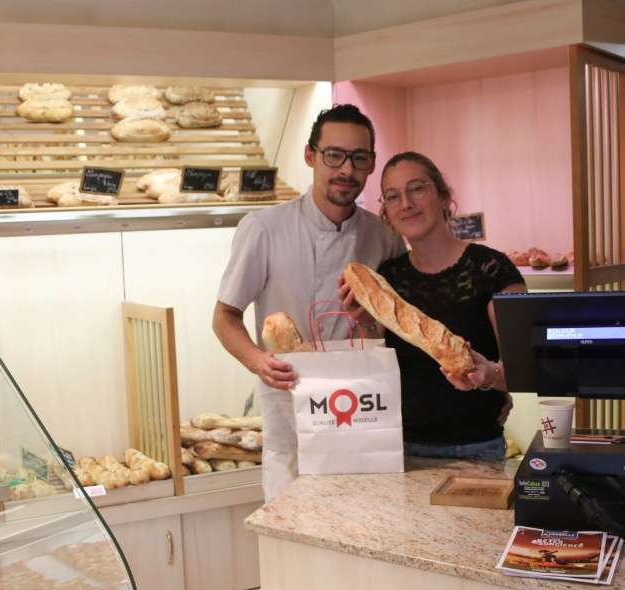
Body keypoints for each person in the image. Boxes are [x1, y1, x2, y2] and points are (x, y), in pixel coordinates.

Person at [213, 104, 406, 500]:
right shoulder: (264, 229)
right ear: (310, 156)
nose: (346, 170)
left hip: (363, 405)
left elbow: (392, 326)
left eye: (359, 158)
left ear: (371, 163)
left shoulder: (384, 238)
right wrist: (257, 360)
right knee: (292, 520)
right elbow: (225, 317)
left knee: (363, 516)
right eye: (333, 155)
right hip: (289, 400)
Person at [341, 151, 526, 460]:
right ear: (386, 212)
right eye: (393, 196)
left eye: (417, 188)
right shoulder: (387, 278)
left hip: (478, 448)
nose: (406, 203)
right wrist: (365, 321)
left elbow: (525, 370)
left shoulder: (493, 269)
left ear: (443, 196)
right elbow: (375, 371)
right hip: (401, 450)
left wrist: (490, 375)